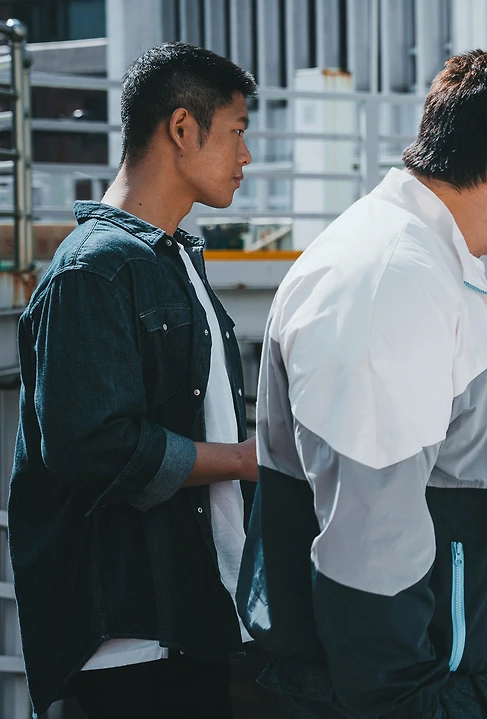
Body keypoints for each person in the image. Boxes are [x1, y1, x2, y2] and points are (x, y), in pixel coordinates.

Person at [236, 51, 487, 718]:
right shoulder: (394, 281)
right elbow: (367, 543)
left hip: (415, 681)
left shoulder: (414, 262)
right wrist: (412, 701)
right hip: (401, 695)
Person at [9, 43, 258, 718]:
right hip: (130, 639)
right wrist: (245, 460)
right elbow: (92, 444)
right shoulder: (94, 268)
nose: (246, 156)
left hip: (187, 618)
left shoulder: (171, 257)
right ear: (181, 128)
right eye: (236, 131)